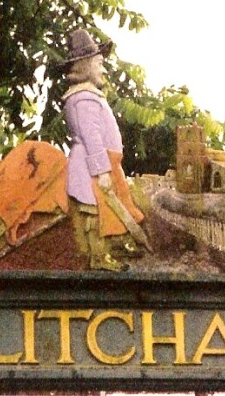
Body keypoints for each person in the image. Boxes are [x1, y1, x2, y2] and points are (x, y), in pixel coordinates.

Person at [59, 29, 145, 271]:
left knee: (117, 204)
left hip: (107, 163)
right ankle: (97, 256)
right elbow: (92, 138)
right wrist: (102, 171)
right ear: (86, 65)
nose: (104, 70)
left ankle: (118, 244)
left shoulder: (90, 96)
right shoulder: (83, 98)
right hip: (91, 166)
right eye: (99, 64)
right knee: (94, 212)